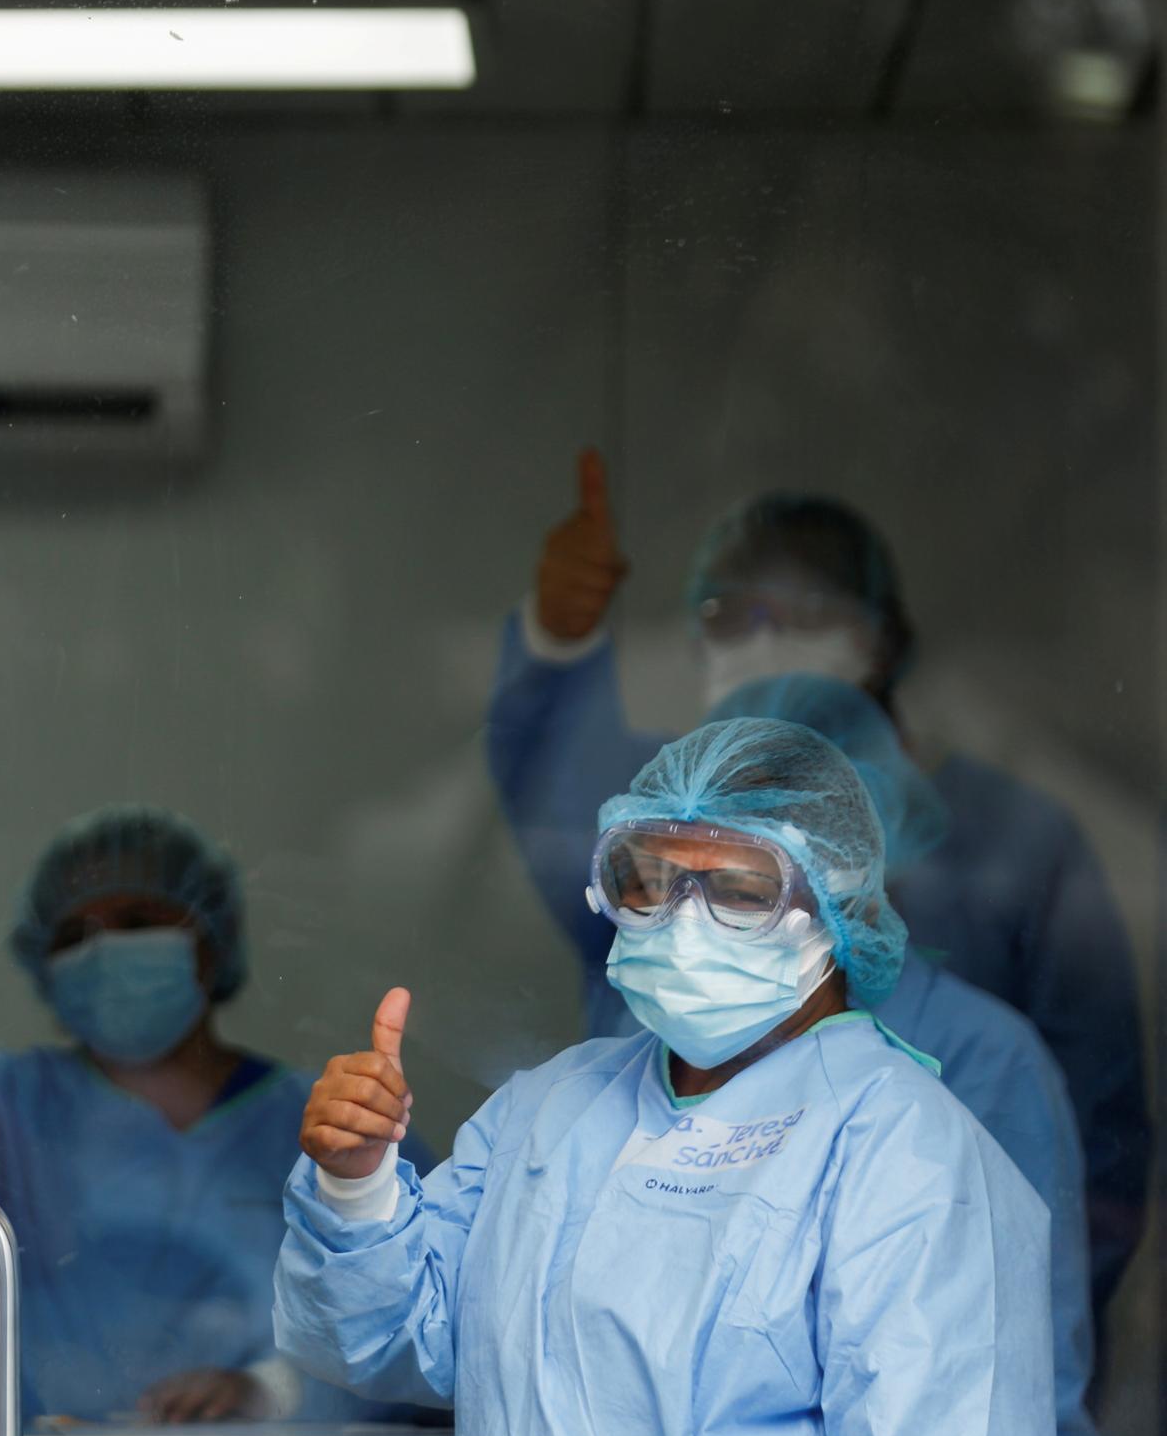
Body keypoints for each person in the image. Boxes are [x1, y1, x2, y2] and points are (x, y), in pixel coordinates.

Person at [277, 716, 1057, 1436]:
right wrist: (356, 1183)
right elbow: (389, 1340)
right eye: (648, 880)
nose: (683, 919)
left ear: (834, 907)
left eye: (738, 888)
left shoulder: (905, 1156)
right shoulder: (551, 1112)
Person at [488, 450, 1150, 1320]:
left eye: (806, 613)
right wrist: (558, 640)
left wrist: (1025, 1333)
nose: (764, 636)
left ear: (886, 637)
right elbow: (559, 805)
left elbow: (1081, 1181)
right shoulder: (668, 819)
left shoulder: (1011, 871)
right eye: (732, 614)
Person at [0, 806, 433, 1428]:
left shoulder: (341, 1125)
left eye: (138, 923)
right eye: (73, 936)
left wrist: (274, 1390)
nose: (103, 951)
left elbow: (424, 1329)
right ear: (44, 966)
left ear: (208, 942)